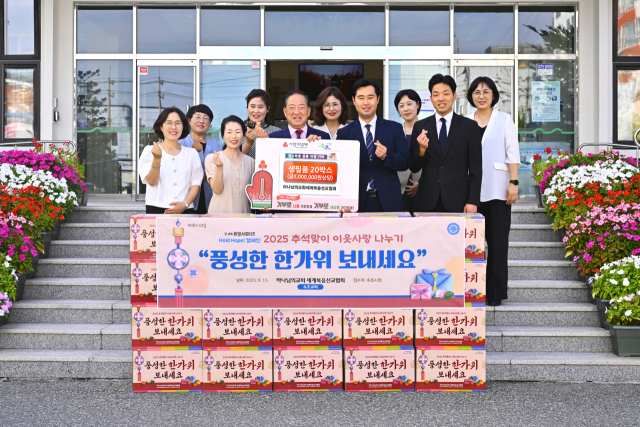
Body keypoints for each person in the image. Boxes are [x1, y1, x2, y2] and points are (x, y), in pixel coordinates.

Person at [467, 76, 520, 307]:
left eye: (486, 92)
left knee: (498, 244)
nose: (481, 96)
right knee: (471, 246)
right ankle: (472, 291)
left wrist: (514, 182)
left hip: (498, 190)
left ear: (494, 95)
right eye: (477, 92)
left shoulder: (504, 120)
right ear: (471, 96)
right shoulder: (465, 121)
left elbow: (512, 153)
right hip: (471, 193)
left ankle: (495, 293)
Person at [409, 74, 482, 213]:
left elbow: (475, 169)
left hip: (459, 200)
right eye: (436, 94)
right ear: (431, 98)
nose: (441, 98)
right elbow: (414, 166)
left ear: (454, 96)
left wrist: (473, 200)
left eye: (446, 93)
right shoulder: (420, 126)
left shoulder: (469, 126)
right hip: (426, 200)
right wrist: (421, 150)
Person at [337, 79, 409, 212]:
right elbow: (340, 170)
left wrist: (386, 156)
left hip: (389, 200)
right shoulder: (344, 133)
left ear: (378, 99)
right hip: (357, 201)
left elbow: (405, 162)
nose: (366, 102)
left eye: (370, 97)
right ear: (354, 100)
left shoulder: (394, 128)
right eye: (361, 98)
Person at [138, 107, 203, 214]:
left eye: (178, 123)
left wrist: (185, 204)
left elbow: (196, 183)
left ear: (183, 127)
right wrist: (157, 159)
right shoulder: (150, 151)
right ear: (161, 127)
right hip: (156, 207)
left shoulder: (192, 153)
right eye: (168, 123)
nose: (173, 127)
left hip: (185, 208)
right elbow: (151, 182)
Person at [205, 115, 255, 214]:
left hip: (243, 216)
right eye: (229, 132)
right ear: (223, 135)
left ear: (243, 135)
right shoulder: (212, 158)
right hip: (218, 216)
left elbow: (254, 194)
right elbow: (217, 190)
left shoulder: (251, 162)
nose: (234, 136)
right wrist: (219, 167)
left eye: (238, 132)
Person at [179, 105, 223, 214]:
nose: (201, 121)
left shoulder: (217, 144)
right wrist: (193, 151)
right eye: (197, 117)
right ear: (189, 120)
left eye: (206, 118)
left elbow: (222, 171)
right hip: (186, 200)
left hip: (212, 198)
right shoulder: (181, 143)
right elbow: (179, 171)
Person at [394, 89, 422, 213]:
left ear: (418, 104)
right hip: (398, 190)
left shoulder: (428, 129)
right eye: (401, 106)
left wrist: (421, 184)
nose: (406, 109)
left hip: (424, 191)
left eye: (409, 104)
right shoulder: (394, 131)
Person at [241, 89, 280, 159]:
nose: (256, 111)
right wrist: (248, 143)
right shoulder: (238, 131)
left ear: (267, 109)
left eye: (260, 107)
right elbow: (234, 159)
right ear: (247, 108)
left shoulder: (277, 132)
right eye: (252, 106)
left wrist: (266, 140)